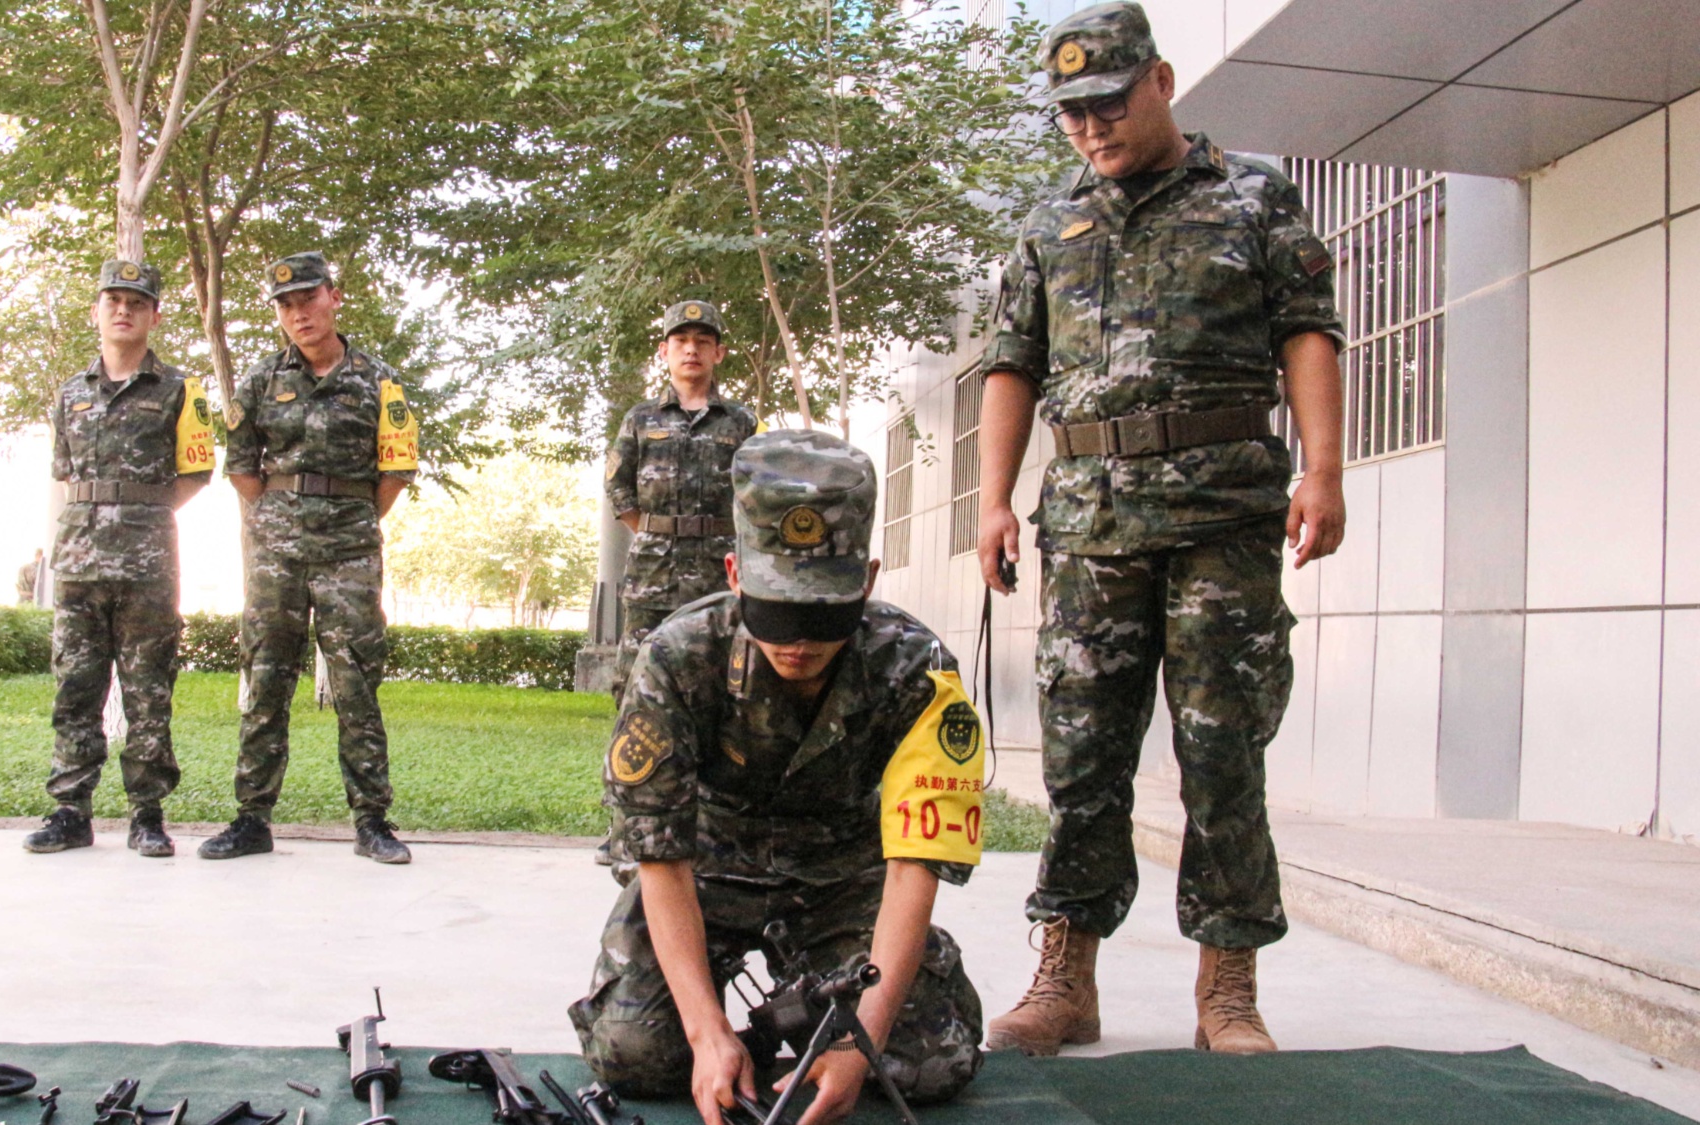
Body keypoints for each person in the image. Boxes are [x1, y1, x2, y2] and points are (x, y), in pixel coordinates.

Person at [974, 1, 1347, 1057]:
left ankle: (1226, 988)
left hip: (1224, 516)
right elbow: (1013, 364)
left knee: (1222, 751)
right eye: (1070, 113)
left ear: (1161, 81)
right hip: (1091, 521)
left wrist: (1322, 471)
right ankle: (1065, 977)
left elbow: (1305, 335)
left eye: (1107, 103)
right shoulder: (1050, 223)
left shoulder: (1252, 198)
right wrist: (993, 499)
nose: (1089, 127)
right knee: (1082, 757)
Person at [570, 430, 986, 1125]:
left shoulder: (918, 668)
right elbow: (659, 855)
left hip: (844, 881)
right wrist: (706, 1034)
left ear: (869, 580)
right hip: (707, 873)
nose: (798, 641)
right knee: (635, 1054)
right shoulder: (676, 658)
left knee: (934, 1060)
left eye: (822, 614)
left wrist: (866, 1036)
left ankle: (828, 1020)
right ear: (733, 574)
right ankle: (754, 1035)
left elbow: (919, 861)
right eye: (776, 612)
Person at [203, 252, 420, 864]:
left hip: (349, 551)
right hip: (275, 555)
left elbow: (393, 472)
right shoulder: (257, 382)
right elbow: (243, 469)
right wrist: (283, 518)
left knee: (356, 683)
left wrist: (341, 516)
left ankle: (372, 821)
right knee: (266, 677)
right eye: (285, 304)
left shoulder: (381, 383)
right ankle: (251, 818)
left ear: (334, 297)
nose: (297, 313)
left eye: (307, 298)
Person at [24, 259, 215, 859]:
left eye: (136, 301)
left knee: (148, 692)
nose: (123, 310)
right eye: (112, 300)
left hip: (147, 565)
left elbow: (197, 471)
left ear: (155, 315)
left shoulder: (183, 390)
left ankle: (147, 816)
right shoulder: (69, 394)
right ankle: (69, 811)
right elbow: (62, 471)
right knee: (75, 689)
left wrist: (142, 513)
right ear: (96, 311)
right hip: (78, 565)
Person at [598, 300, 759, 865]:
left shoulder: (740, 423)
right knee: (635, 690)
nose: (691, 349)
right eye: (680, 339)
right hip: (652, 576)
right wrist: (658, 534)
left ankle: (713, 827)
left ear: (718, 353)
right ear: (664, 351)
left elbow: (754, 496)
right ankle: (624, 827)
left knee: (723, 690)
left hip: (719, 572)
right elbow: (619, 490)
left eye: (702, 339)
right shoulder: (641, 419)